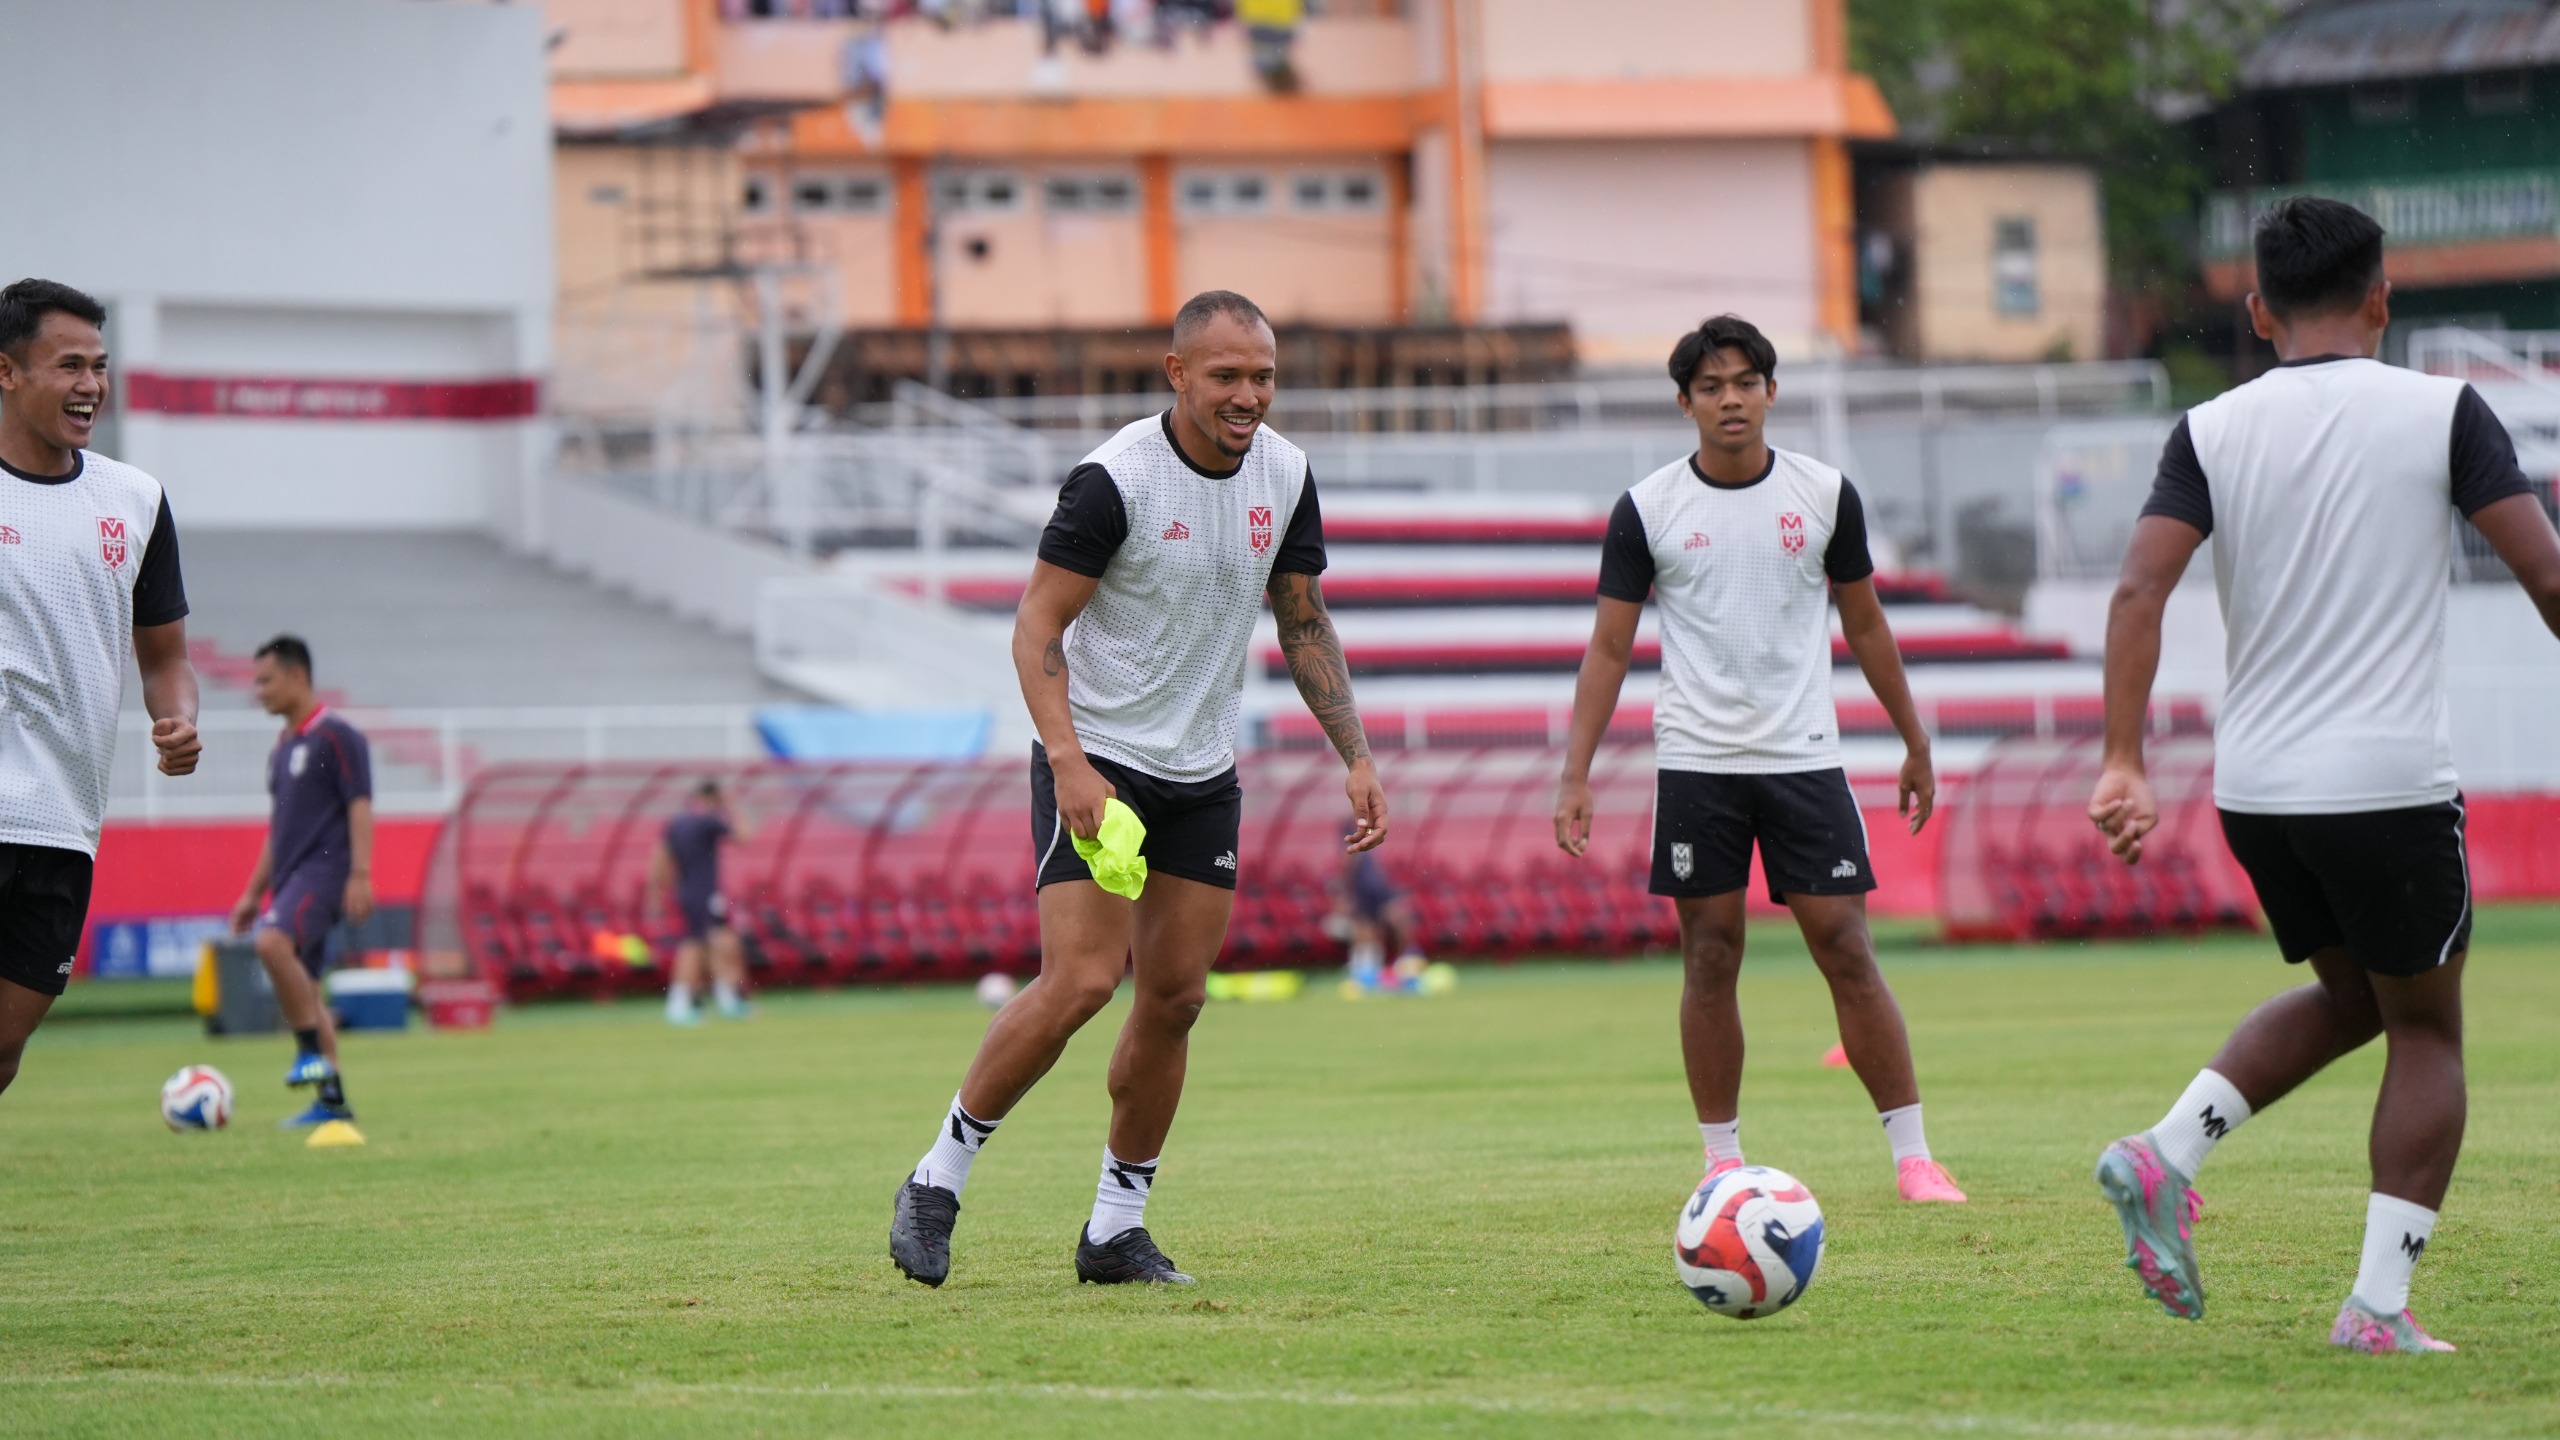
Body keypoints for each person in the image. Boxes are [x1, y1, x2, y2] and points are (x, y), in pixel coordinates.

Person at [2088, 197, 2560, 1354]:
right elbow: (2545, 574)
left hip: (2259, 791)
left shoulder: (2208, 428)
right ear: (2382, 298)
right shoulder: (2445, 410)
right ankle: (2376, 1310)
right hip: (2390, 783)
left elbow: (2137, 592)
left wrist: (2121, 760)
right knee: (2428, 1034)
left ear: (2255, 310)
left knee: (2354, 999)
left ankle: (2166, 1152)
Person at [888, 290, 1387, 1288]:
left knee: (1175, 998)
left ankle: (1115, 1230)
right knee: (1080, 981)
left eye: (1261, 377)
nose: (1247, 396)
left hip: (1203, 774)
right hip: (1102, 761)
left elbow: (1302, 620)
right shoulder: (1115, 481)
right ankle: (937, 1178)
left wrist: (1357, 754)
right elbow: (1035, 630)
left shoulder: (1285, 475)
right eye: (1225, 377)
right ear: (1177, 375)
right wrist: (1069, 761)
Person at [1553, 313, 1966, 1204]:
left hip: (1804, 760)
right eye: (1711, 387)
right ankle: (1722, 1162)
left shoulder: (1823, 494)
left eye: (1745, 382)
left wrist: (1915, 738)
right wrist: (1575, 773)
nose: (1730, 399)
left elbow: (1865, 624)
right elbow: (1609, 651)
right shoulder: (1650, 507)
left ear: (1771, 392)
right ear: (1685, 403)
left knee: (1846, 947)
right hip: (1698, 763)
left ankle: (1915, 1158)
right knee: (1711, 956)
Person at [0, 279, 200, 1097]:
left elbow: (164, 660)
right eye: (69, 364)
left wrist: (177, 719)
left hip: (63, 824)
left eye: (100, 365)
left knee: (4, 1054)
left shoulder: (136, 501)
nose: (91, 384)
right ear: (8, 372)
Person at [228, 636, 373, 1129]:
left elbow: (360, 804)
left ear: (297, 676)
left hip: (326, 872)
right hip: (290, 877)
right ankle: (332, 1099)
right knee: (306, 989)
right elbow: (278, 828)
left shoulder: (337, 736)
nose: (259, 691)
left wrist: (360, 874)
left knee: (271, 943)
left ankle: (308, 1050)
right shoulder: (282, 748)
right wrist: (252, 893)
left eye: (266, 681)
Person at [648, 779, 752, 1025]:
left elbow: (660, 859)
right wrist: (732, 806)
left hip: (688, 891)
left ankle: (727, 999)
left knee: (720, 941)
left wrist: (656, 894)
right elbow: (746, 836)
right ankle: (678, 1005)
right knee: (695, 945)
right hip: (704, 893)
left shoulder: (677, 822)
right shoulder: (707, 820)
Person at [1329, 845, 1424, 993]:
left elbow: (1385, 903)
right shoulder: (1344, 881)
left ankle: (1403, 967)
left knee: (1386, 926)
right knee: (1364, 930)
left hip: (1371, 920)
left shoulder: (1370, 878)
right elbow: (1338, 908)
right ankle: (1361, 972)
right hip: (1341, 924)